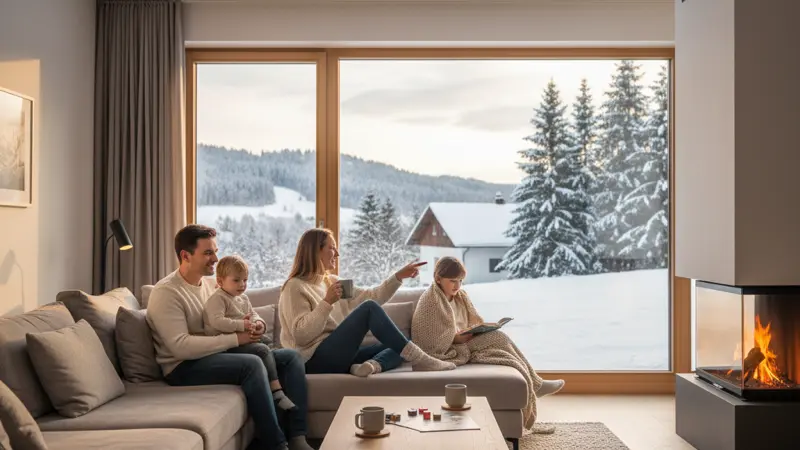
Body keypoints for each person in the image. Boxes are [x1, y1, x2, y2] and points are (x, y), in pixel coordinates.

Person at [147, 225, 312, 450]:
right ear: (185, 256)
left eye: (215, 251)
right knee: (252, 364)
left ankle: (298, 437)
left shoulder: (208, 285)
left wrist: (254, 328)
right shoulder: (166, 292)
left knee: (291, 357)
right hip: (182, 367)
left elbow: (237, 315)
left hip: (214, 354)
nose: (215, 258)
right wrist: (238, 338)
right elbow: (180, 347)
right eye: (208, 253)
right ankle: (277, 445)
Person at [411, 256, 565, 430]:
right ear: (438, 278)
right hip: (447, 348)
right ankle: (537, 385)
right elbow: (426, 339)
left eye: (460, 281)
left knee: (502, 347)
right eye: (452, 281)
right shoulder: (431, 301)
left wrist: (478, 329)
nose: (457, 285)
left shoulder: (460, 296)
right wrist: (455, 338)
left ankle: (535, 383)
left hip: (465, 340)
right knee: (500, 339)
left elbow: (470, 321)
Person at [278, 228, 456, 376]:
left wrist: (398, 277)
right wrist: (327, 302)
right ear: (316, 251)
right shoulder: (295, 287)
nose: (337, 253)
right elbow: (300, 336)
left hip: (340, 355)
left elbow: (373, 296)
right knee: (369, 309)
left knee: (401, 343)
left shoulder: (331, 281)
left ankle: (370, 366)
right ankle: (422, 360)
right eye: (332, 248)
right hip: (312, 361)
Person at [203, 254, 296, 412]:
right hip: (225, 345)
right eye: (236, 280)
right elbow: (217, 322)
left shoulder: (243, 298)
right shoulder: (217, 299)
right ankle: (277, 391)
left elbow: (253, 314)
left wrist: (258, 324)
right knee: (262, 349)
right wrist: (242, 324)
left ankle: (271, 360)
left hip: (244, 338)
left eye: (245, 280)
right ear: (220, 281)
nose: (242, 284)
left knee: (268, 342)